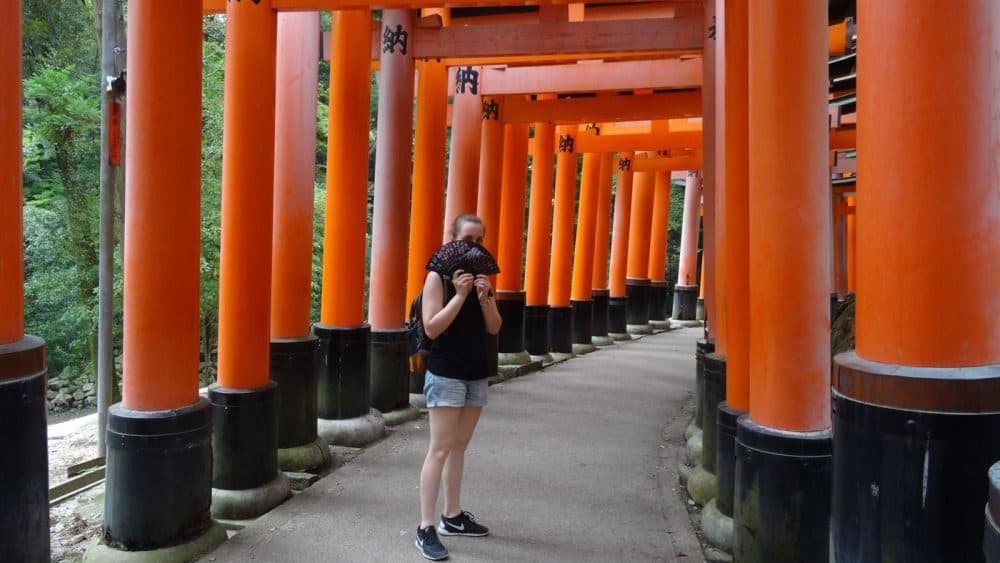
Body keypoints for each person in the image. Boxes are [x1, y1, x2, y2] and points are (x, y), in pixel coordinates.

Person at [414, 214, 502, 561]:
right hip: (446, 372)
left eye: (479, 240)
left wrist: (483, 299)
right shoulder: (438, 277)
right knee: (439, 449)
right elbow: (432, 329)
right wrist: (460, 294)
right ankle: (425, 527)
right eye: (468, 238)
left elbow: (494, 328)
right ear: (452, 238)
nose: (473, 246)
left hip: (475, 372)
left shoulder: (483, 280)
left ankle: (452, 516)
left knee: (460, 447)